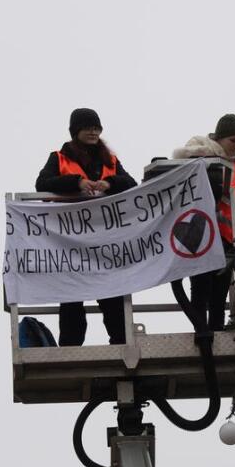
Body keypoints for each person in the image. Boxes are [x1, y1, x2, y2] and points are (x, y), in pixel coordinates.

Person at [35, 108, 137, 346]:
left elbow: (130, 183)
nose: (93, 132)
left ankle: (121, 347)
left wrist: (109, 183)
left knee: (113, 299)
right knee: (72, 300)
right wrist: (77, 182)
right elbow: (42, 183)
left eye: (96, 128)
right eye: (88, 127)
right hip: (71, 242)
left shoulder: (110, 160)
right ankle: (70, 350)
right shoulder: (59, 158)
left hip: (105, 241)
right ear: (75, 131)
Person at [171, 113, 235, 331]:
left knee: (219, 294)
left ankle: (216, 335)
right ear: (219, 138)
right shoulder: (197, 159)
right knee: (200, 289)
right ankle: (201, 335)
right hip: (198, 234)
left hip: (227, 239)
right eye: (233, 140)